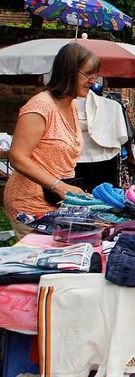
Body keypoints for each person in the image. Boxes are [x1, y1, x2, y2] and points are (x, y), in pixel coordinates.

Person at [4, 43, 100, 238]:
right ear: (69, 72)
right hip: (29, 205)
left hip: (54, 202)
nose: (93, 81)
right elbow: (17, 157)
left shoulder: (71, 106)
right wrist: (60, 186)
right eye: (88, 74)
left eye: (95, 75)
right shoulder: (40, 106)